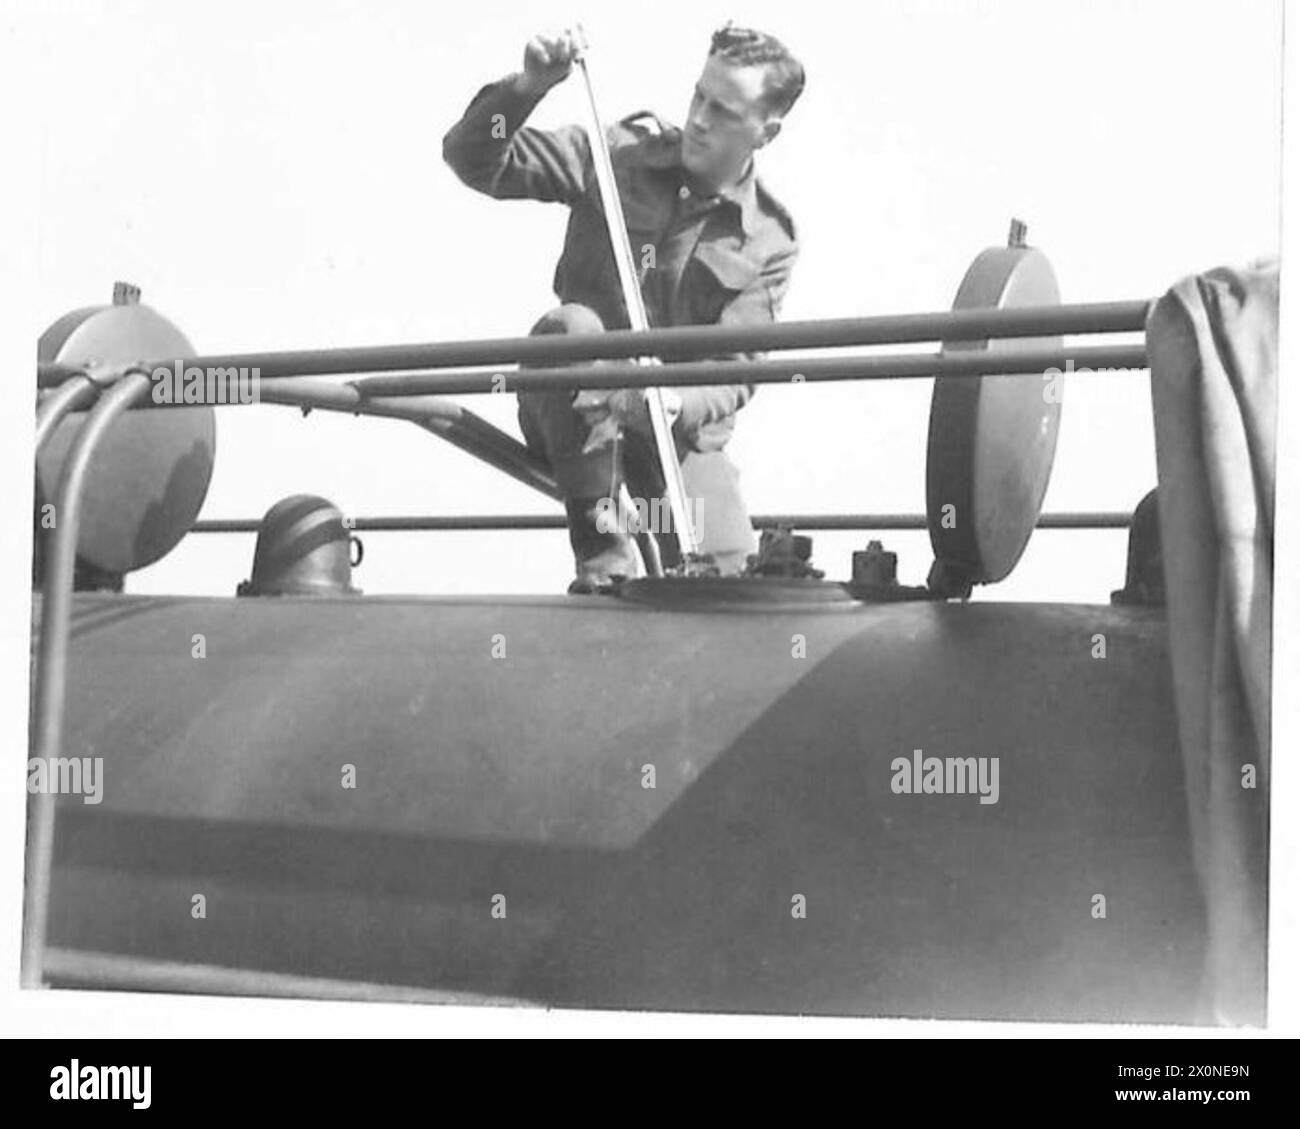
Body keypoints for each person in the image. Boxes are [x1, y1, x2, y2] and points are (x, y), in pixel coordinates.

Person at [443, 23, 805, 592]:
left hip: (672, 437)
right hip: (573, 410)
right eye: (699, 97)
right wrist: (527, 87)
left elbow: (735, 372)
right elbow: (472, 156)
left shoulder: (770, 241)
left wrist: (674, 403)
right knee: (574, 328)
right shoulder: (614, 155)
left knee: (732, 589)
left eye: (725, 112)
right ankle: (603, 562)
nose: (701, 120)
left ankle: (680, 564)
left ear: (767, 132)